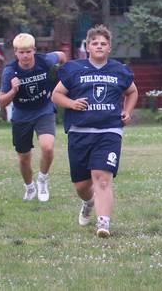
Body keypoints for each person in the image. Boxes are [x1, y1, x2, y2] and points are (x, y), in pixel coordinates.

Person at [52, 25, 138, 237]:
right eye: (95, 43)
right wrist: (72, 103)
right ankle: (89, 202)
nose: (99, 46)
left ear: (109, 48)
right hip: (80, 132)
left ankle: (103, 223)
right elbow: (56, 95)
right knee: (82, 185)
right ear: (88, 47)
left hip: (109, 131)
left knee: (101, 178)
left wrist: (127, 111)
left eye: (104, 43)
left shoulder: (119, 70)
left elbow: (133, 91)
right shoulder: (74, 69)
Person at [0, 33, 66, 202]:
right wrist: (13, 91)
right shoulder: (10, 71)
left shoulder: (45, 61)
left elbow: (62, 56)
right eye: (21, 52)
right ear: (15, 53)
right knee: (24, 158)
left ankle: (42, 179)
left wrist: (64, 76)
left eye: (28, 51)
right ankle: (29, 187)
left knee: (47, 147)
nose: (25, 55)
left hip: (44, 109)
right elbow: (2, 102)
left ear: (34, 50)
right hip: (22, 114)